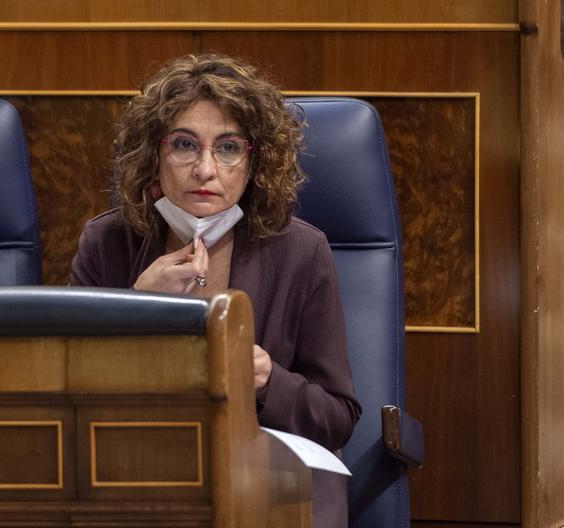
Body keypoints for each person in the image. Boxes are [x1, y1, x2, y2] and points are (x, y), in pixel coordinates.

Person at [71, 53, 361, 528]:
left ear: (254, 162)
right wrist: (135, 307)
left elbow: (337, 418)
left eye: (228, 148)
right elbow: (68, 394)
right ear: (153, 155)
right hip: (141, 472)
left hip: (261, 475)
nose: (205, 169)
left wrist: (268, 381)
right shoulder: (107, 243)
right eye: (185, 144)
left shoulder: (302, 252)